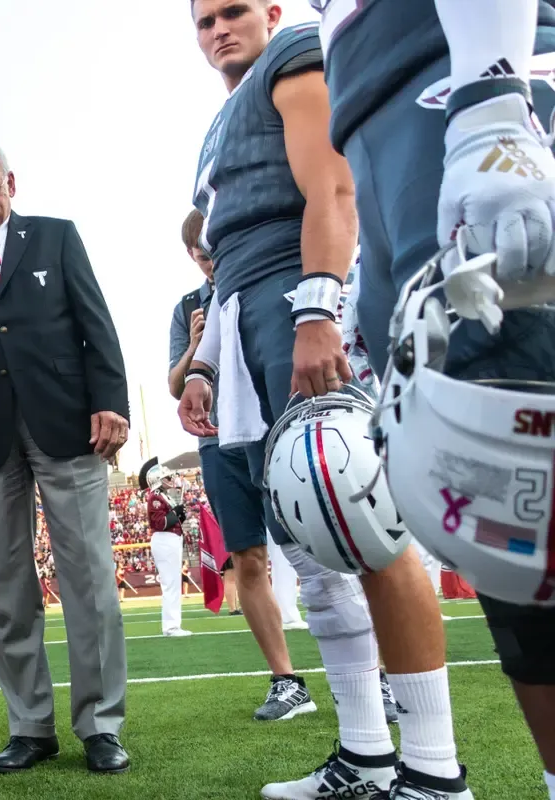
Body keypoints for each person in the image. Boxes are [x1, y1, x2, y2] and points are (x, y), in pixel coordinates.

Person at [180, 4, 469, 799]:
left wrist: (316, 309)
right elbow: (224, 259)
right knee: (312, 550)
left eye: (233, 12)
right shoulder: (218, 121)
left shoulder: (295, 53)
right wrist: (204, 362)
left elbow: (331, 187)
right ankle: (367, 755)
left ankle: (436, 771)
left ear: (272, 11)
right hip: (248, 314)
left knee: (365, 523)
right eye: (203, 21)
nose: (218, 30)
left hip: (295, 297)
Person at [319, 0, 555, 797]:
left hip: (460, 76)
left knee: (525, 444)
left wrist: (493, 93)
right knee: (492, 497)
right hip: (386, 125)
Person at [0, 140, 131, 775]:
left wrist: (110, 401)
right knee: (6, 590)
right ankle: (29, 727)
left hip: (67, 425)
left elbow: (98, 325)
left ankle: (100, 726)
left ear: (11, 183)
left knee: (90, 579)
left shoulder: (58, 238)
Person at [168, 207, 315, 719]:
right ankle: (286, 679)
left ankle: (376, 675)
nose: (213, 263)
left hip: (273, 422)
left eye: (218, 250)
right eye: (205, 254)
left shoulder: (265, 278)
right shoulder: (189, 305)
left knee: (320, 546)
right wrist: (194, 346)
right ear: (194, 256)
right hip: (218, 442)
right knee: (247, 558)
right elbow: (174, 384)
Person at [144, 470, 192, 637]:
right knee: (170, 583)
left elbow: (172, 520)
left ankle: (174, 625)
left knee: (173, 582)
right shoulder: (155, 497)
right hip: (165, 539)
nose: (171, 479)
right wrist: (175, 514)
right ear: (158, 480)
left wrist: (179, 515)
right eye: (167, 477)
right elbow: (160, 522)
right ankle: (171, 627)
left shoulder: (163, 496)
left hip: (171, 538)